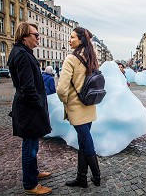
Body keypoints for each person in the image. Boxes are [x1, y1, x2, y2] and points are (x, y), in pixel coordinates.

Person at [7, 22, 52, 195]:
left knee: (33, 144)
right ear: (25, 36)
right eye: (35, 35)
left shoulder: (23, 52)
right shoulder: (22, 55)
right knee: (30, 147)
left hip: (28, 107)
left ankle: (33, 173)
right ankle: (30, 184)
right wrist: (39, 104)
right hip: (29, 108)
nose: (38, 37)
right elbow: (27, 87)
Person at [57, 27, 101, 188]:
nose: (70, 40)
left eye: (72, 37)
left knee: (86, 141)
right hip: (89, 105)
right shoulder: (91, 57)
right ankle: (82, 178)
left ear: (81, 40)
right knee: (83, 141)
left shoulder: (71, 58)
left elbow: (62, 89)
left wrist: (65, 102)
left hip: (76, 107)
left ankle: (96, 175)